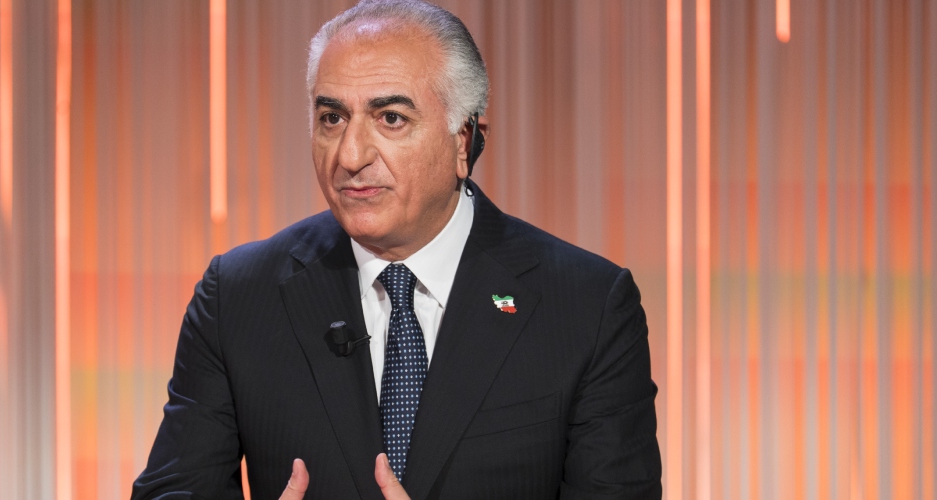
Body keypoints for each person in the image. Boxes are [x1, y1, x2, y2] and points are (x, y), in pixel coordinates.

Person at [132, 1, 661, 498]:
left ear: (464, 141)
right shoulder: (237, 297)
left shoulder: (587, 307)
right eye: (332, 118)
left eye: (390, 118)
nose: (350, 155)